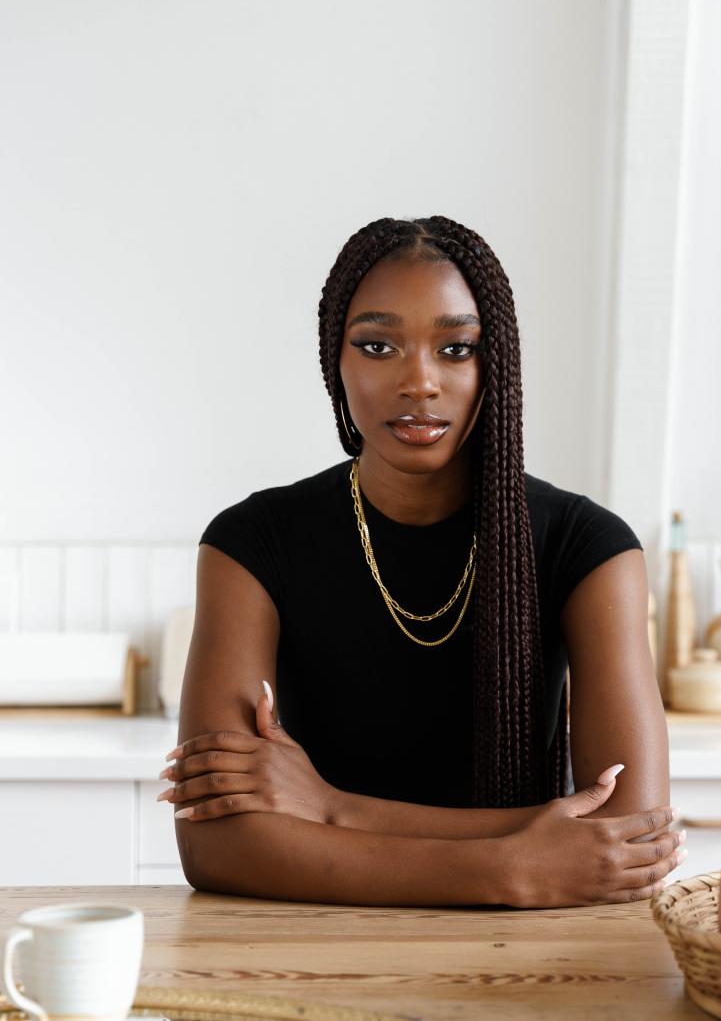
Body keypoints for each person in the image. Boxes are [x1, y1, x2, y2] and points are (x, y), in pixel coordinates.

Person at [166, 215, 684, 908]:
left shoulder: (588, 546)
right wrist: (512, 867)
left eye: (457, 349)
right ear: (334, 361)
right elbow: (216, 844)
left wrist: (329, 809)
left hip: (522, 957)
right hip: (308, 946)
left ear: (495, 364)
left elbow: (631, 840)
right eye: (377, 346)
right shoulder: (251, 543)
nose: (420, 381)